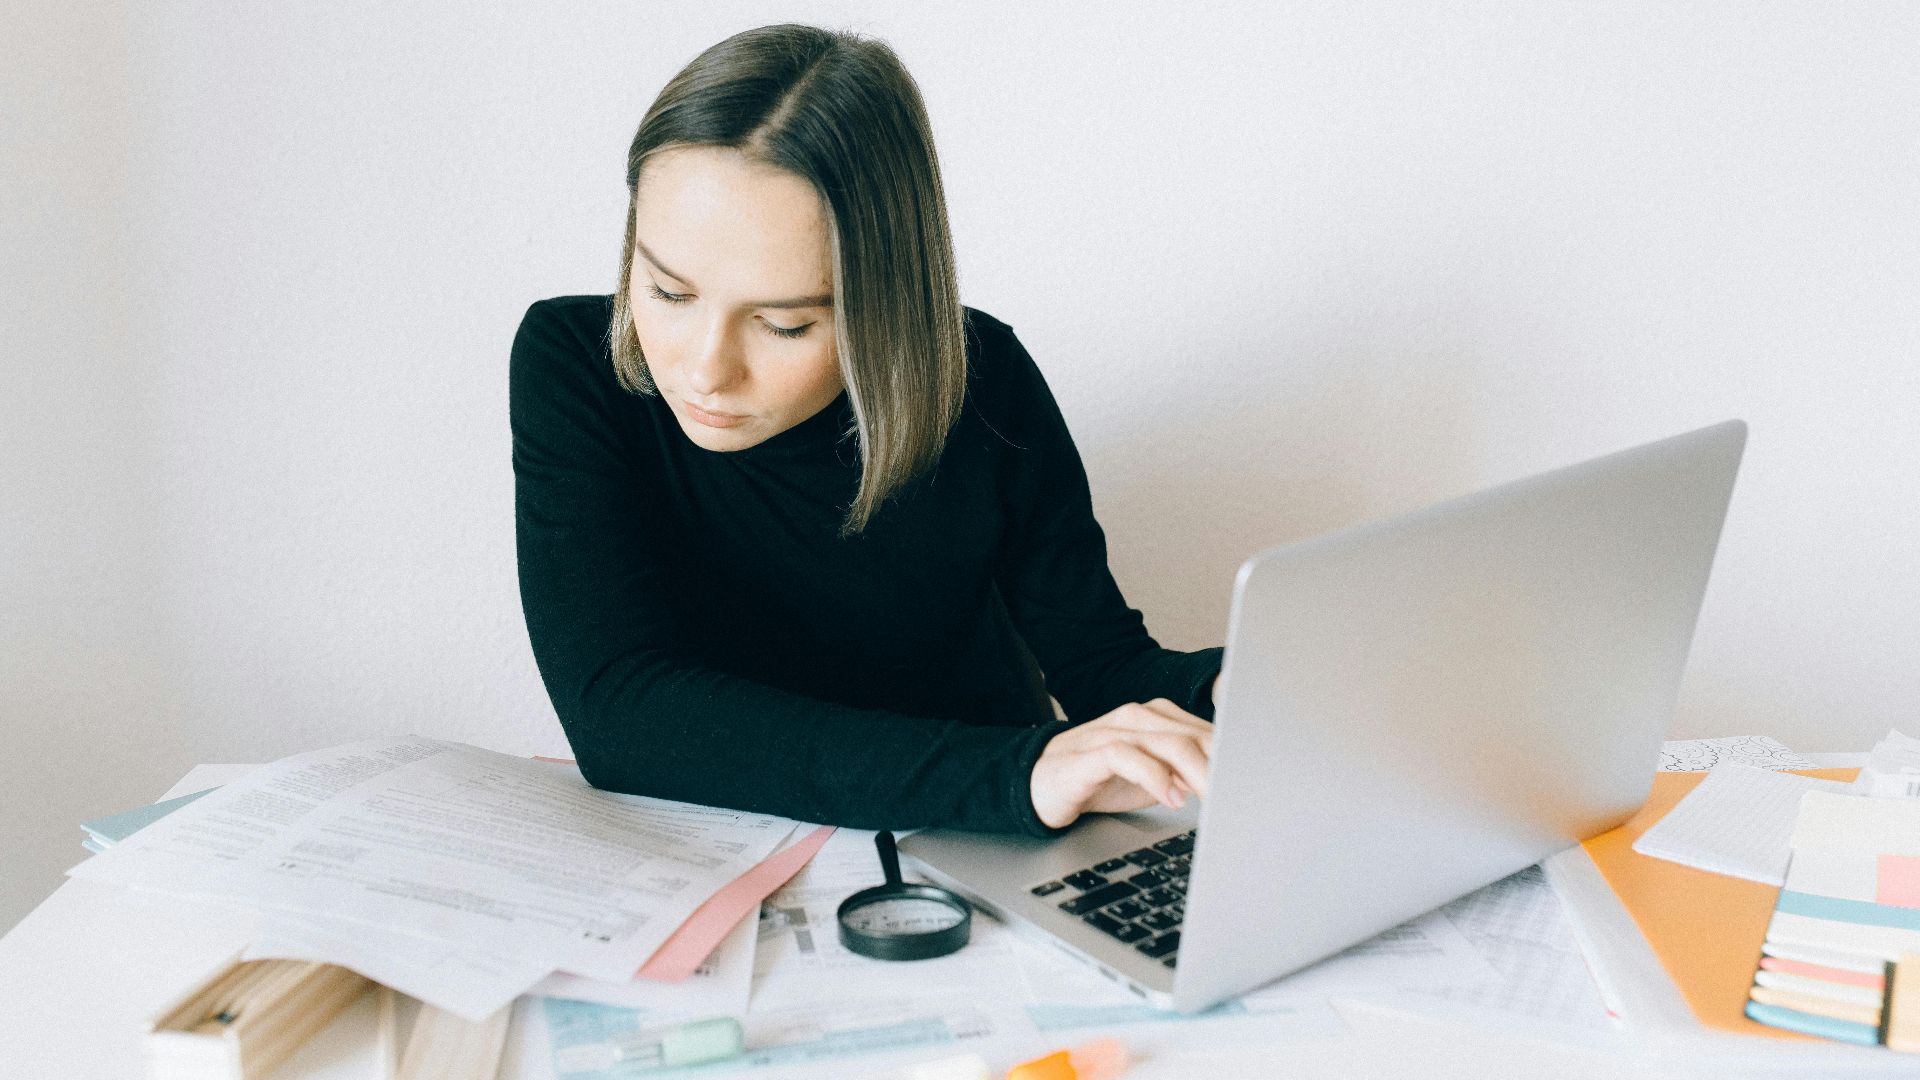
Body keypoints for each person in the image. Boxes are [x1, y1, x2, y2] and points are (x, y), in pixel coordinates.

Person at [511, 23, 1223, 838]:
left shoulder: (981, 377)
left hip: (976, 843)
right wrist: (1020, 772)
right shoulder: (572, 365)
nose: (706, 370)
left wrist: (1240, 690)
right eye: (669, 293)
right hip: (750, 853)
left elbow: (1104, 667)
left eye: (783, 325)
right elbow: (620, 715)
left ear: (882, 297)